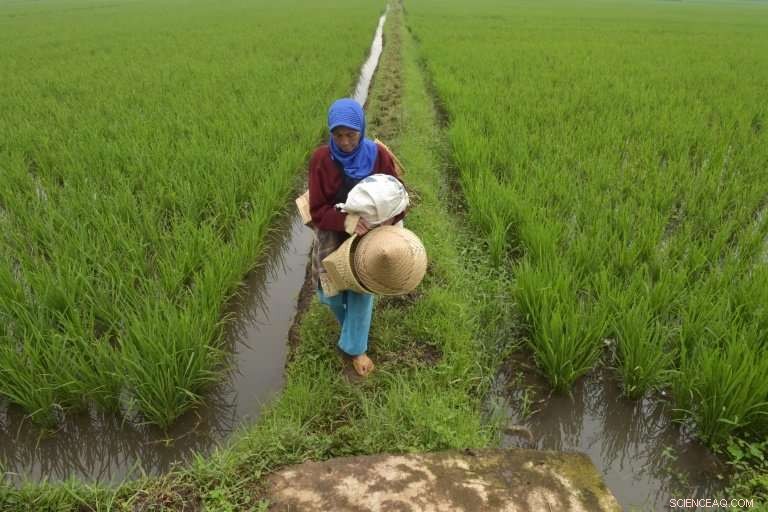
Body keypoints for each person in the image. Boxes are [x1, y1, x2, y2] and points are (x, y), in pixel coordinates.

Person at [308, 98, 405, 377]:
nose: (346, 142)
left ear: (361, 129)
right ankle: (349, 324)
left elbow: (399, 196)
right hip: (333, 233)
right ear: (331, 134)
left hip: (369, 236)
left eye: (351, 134)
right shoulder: (321, 160)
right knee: (331, 293)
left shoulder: (378, 155)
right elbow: (317, 210)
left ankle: (355, 347)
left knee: (362, 289)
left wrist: (388, 221)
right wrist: (346, 220)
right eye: (338, 135)